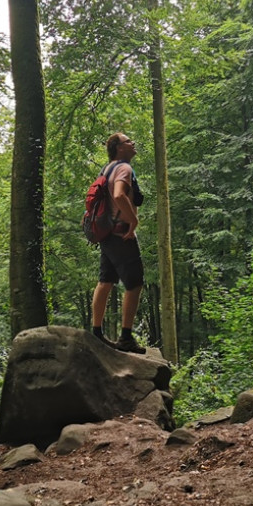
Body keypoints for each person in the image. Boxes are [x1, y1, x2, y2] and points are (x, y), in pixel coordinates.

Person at [90, 132, 146, 354]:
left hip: (107, 235)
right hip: (122, 235)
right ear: (119, 148)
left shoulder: (107, 169)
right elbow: (119, 194)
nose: (133, 143)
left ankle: (96, 333)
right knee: (135, 283)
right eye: (128, 141)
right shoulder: (123, 168)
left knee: (106, 281)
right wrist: (133, 220)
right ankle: (125, 337)